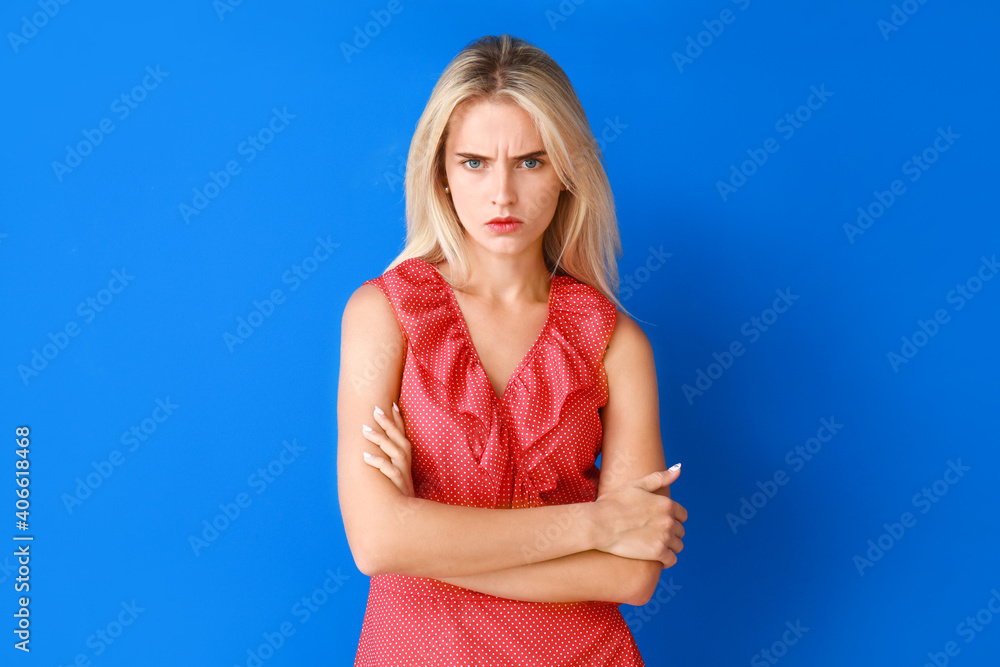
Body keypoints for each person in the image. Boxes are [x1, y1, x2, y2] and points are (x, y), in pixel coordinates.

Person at [337, 33, 687, 666]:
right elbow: (375, 542)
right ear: (441, 174)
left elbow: (631, 576)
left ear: (567, 173)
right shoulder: (383, 315)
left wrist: (423, 539)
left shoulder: (616, 342)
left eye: (531, 161)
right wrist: (595, 525)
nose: (502, 193)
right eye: (474, 162)